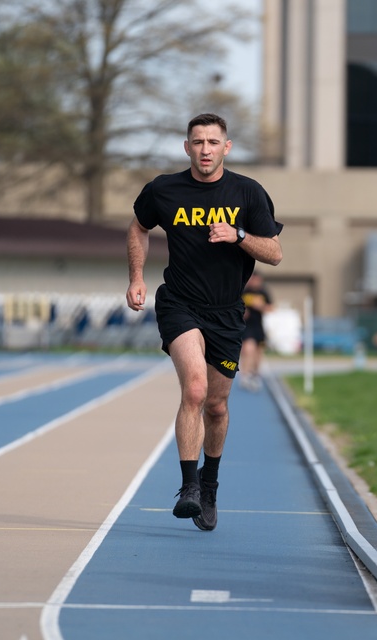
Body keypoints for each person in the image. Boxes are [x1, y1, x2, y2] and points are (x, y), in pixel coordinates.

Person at [126, 113, 283, 532]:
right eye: (198, 142)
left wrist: (238, 236)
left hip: (227, 312)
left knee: (216, 405)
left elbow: (274, 252)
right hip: (179, 303)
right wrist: (137, 278)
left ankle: (210, 484)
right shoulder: (164, 189)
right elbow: (138, 227)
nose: (205, 150)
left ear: (226, 147)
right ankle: (189, 487)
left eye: (213, 142)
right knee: (194, 387)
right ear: (187, 147)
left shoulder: (248, 193)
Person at [239, 271, 273, 391]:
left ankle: (255, 374)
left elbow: (271, 308)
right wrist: (243, 313)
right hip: (246, 326)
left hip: (259, 326)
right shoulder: (244, 291)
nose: (255, 282)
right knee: (248, 349)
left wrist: (261, 307)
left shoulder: (263, 292)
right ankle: (245, 375)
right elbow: (235, 307)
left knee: (258, 353)